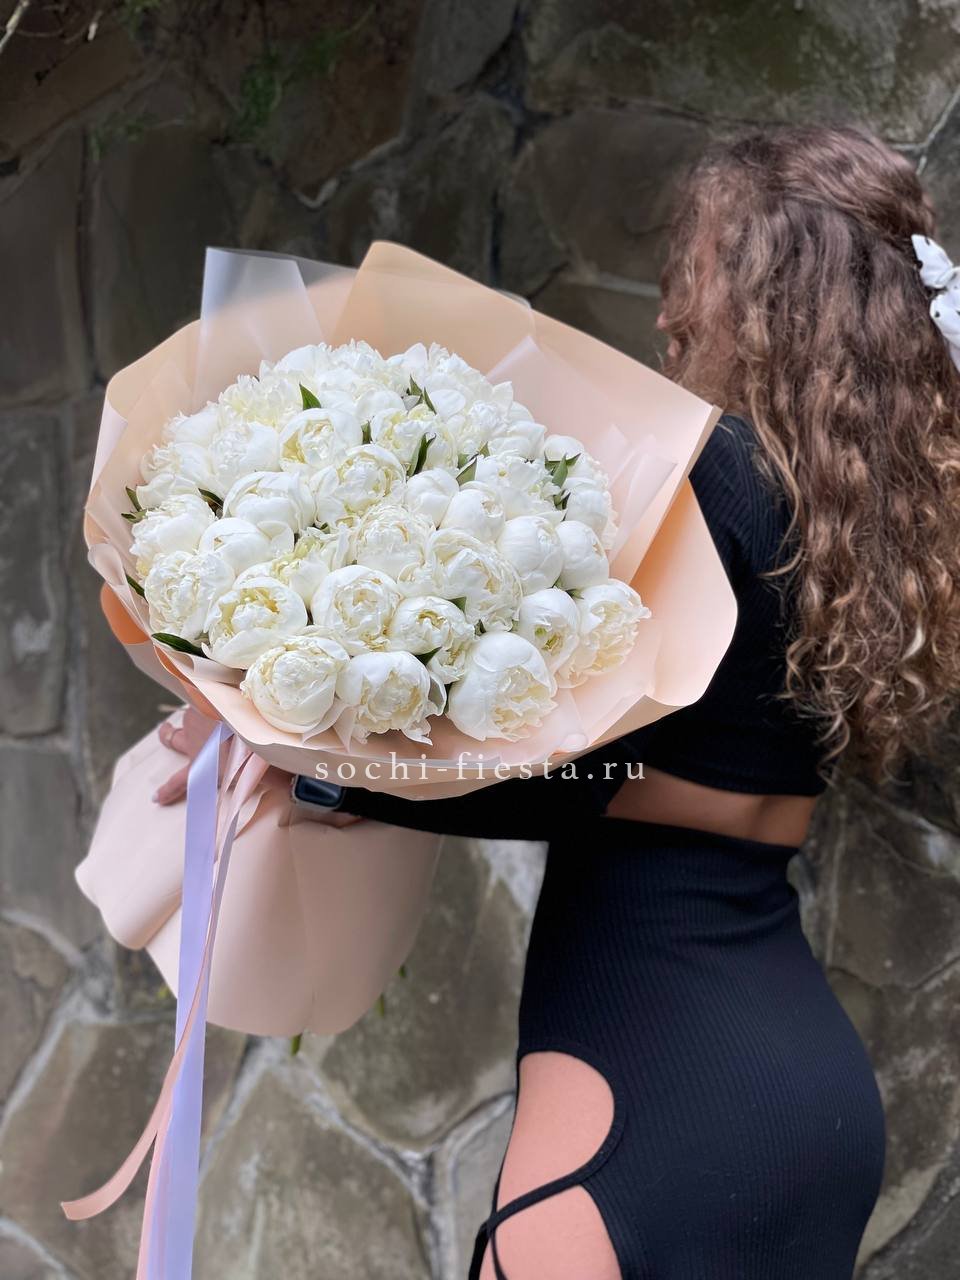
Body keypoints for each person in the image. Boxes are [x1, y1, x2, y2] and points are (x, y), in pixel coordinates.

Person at [157, 126, 960, 1279]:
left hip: (654, 1097)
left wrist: (310, 752)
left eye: (698, 275)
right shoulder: (847, 526)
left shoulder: (709, 481)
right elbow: (643, 782)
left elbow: (568, 778)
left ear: (771, 301)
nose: (669, 314)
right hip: (803, 1095)